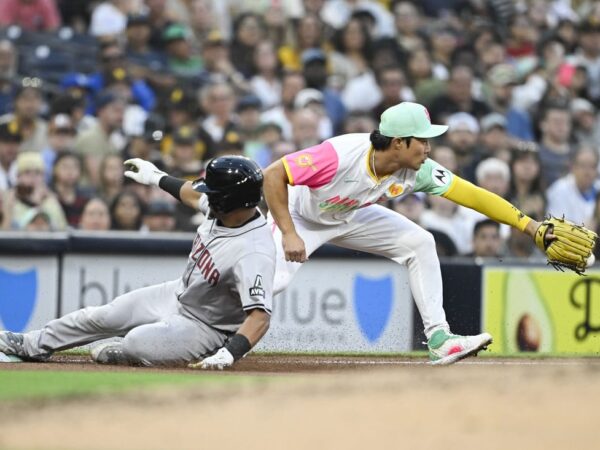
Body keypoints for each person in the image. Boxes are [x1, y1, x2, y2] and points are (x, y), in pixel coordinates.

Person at [263, 101, 554, 365]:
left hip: (349, 213)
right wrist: (288, 232)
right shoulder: (340, 155)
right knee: (274, 281)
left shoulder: (419, 169)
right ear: (399, 142)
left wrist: (529, 226)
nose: (428, 148)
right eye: (422, 140)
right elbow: (274, 174)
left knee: (420, 242)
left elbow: (474, 196)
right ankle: (219, 330)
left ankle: (440, 339)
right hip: (300, 215)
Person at [0, 156, 275, 370]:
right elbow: (192, 193)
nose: (208, 196)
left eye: (214, 193)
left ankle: (136, 354)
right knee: (103, 315)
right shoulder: (227, 209)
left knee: (136, 342)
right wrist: (157, 177)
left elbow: (260, 317)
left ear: (229, 200)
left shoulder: (253, 252)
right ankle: (31, 343)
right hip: (177, 294)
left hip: (209, 328)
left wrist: (229, 353)